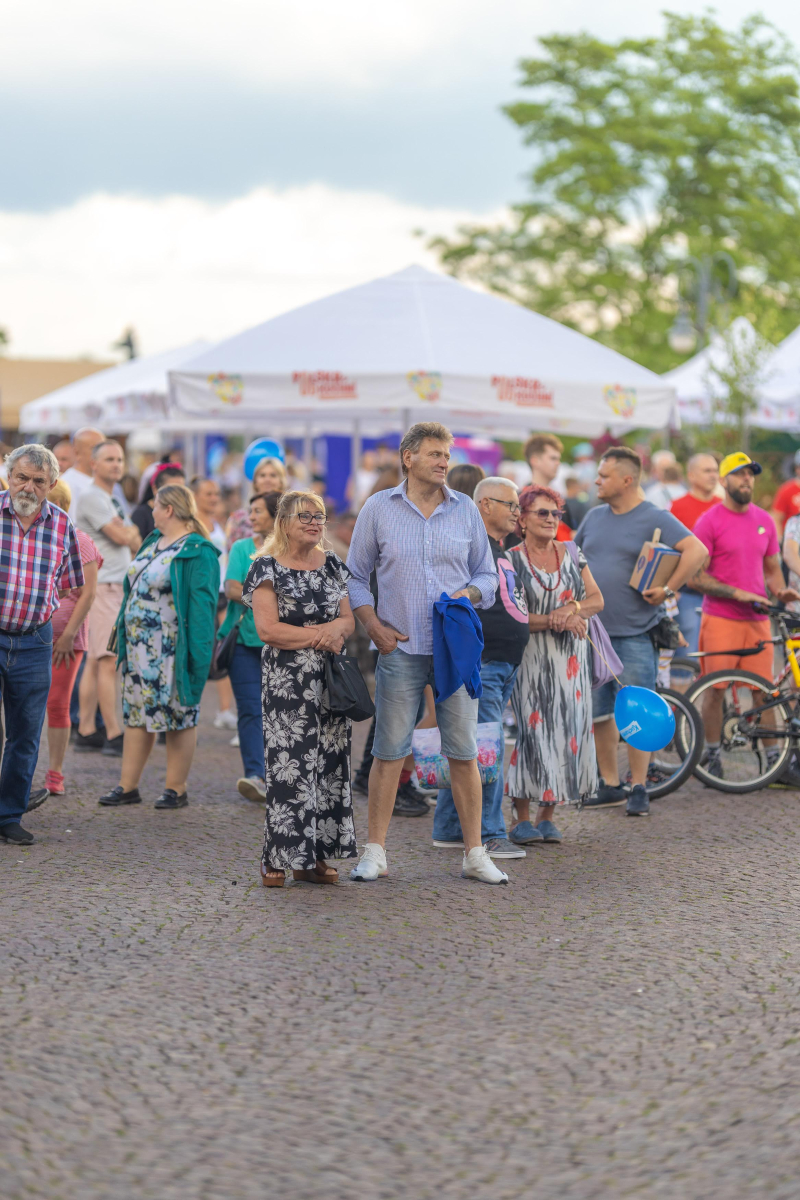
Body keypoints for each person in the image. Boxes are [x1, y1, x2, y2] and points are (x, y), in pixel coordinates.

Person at [346, 421, 508, 885]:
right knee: (388, 750)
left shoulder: (465, 512)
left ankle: (475, 853)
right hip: (400, 647)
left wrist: (467, 596)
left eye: (446, 454)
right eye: (434, 453)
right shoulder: (379, 508)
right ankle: (374, 852)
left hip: (454, 649)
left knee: (463, 750)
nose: (443, 462)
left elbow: (488, 575)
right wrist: (372, 625)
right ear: (408, 457)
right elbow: (355, 575)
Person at [576, 447, 707, 816]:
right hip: (595, 634)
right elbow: (575, 557)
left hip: (636, 632)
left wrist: (669, 589)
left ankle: (637, 784)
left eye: (603, 476)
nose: (597, 481)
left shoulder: (654, 516)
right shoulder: (594, 516)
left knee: (638, 709)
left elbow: (696, 550)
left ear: (627, 480)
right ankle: (610, 784)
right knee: (600, 713)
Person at [242, 490, 357, 886]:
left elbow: (348, 622)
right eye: (304, 515)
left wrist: (328, 633)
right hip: (287, 684)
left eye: (320, 516)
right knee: (289, 769)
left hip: (330, 682)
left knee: (328, 766)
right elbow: (268, 630)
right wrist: (320, 635)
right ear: (283, 521)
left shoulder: (333, 565)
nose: (313, 522)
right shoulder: (265, 567)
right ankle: (278, 855)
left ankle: (314, 857)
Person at [99, 485, 219, 810]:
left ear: (169, 509)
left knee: (178, 714)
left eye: (156, 506)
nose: (150, 511)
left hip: (171, 650)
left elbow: (203, 609)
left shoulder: (199, 550)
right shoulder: (153, 542)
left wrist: (198, 655)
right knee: (137, 713)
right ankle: (128, 786)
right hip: (140, 649)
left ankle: (175, 788)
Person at [432, 477, 531, 859]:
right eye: (511, 505)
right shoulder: (472, 549)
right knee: (486, 746)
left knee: (470, 745)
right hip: (485, 661)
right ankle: (490, 832)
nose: (517, 513)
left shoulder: (500, 550)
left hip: (504, 663)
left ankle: (449, 827)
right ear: (484, 505)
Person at [690, 453, 800, 779]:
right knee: (716, 690)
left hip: (757, 619)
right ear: (724, 481)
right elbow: (696, 577)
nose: (746, 480)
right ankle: (711, 754)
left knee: (764, 693)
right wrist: (738, 593)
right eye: (739, 475)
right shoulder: (709, 521)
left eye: (750, 474)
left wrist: (780, 593)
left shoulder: (764, 519)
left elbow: (771, 569)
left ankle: (773, 763)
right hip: (721, 617)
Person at [506, 484, 604, 842]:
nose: (551, 519)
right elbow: (512, 614)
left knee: (567, 730)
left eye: (556, 513)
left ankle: (548, 813)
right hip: (531, 658)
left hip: (570, 661)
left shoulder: (573, 552)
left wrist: (571, 609)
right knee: (532, 734)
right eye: (542, 513)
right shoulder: (511, 559)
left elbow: (596, 599)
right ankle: (521, 817)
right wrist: (552, 620)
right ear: (523, 519)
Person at [0, 445, 84, 845]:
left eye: (38, 480)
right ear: (8, 476)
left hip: (35, 639)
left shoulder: (62, 523)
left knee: (26, 732)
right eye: (21, 477)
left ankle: (8, 815)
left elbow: (71, 583)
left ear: (52, 484)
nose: (28, 487)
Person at [74, 440, 142, 755]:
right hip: (104, 586)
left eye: (120, 459)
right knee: (106, 659)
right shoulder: (92, 497)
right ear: (94, 464)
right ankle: (113, 733)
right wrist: (126, 533)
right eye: (109, 459)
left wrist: (127, 533)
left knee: (94, 659)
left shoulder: (112, 498)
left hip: (111, 585)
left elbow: (135, 539)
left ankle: (87, 728)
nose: (116, 464)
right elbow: (123, 537)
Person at [219, 490, 280, 802]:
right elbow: (230, 587)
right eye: (250, 510)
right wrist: (268, 602)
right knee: (250, 710)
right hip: (244, 639)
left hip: (282, 642)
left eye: (257, 511)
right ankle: (256, 775)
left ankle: (280, 774)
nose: (251, 517)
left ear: (274, 515)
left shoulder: (288, 549)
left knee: (281, 710)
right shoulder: (242, 547)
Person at [42, 479, 101, 797]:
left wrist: (66, 636)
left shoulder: (80, 541)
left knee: (57, 704)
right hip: (36, 636)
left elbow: (88, 594)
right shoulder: (41, 539)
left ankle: (55, 773)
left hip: (67, 639)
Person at [191, 476, 237, 729]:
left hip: (222, 592)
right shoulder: (192, 523)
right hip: (202, 593)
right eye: (208, 493)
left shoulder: (218, 523)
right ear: (195, 495)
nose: (214, 498)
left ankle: (224, 709)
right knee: (201, 648)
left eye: (216, 493)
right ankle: (193, 705)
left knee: (225, 648)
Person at [669, 453, 721, 652]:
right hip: (687, 592)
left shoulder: (723, 506)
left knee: (715, 651)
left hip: (720, 592)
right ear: (691, 476)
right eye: (707, 471)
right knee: (689, 651)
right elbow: (666, 549)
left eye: (715, 471)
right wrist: (671, 588)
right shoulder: (677, 506)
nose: (713, 475)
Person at [226, 457, 287, 549]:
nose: (267, 479)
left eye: (273, 475)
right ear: (255, 482)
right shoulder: (238, 518)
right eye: (262, 475)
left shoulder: (291, 515)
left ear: (281, 481)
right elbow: (231, 552)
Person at [520, 434, 572, 541]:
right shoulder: (519, 499)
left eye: (558, 459)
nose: (558, 463)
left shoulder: (560, 501)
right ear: (535, 461)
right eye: (553, 458)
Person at [130, 462, 185, 539]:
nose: (177, 494)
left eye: (181, 490)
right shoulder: (141, 514)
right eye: (170, 490)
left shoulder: (183, 514)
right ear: (155, 489)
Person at [61, 426, 104, 518]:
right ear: (77, 453)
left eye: (104, 448)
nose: (102, 453)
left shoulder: (102, 481)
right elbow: (73, 526)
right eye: (95, 448)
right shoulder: (68, 485)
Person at [770, 449, 800, 540]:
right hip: (792, 543)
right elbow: (776, 518)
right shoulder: (786, 490)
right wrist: (780, 542)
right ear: (796, 469)